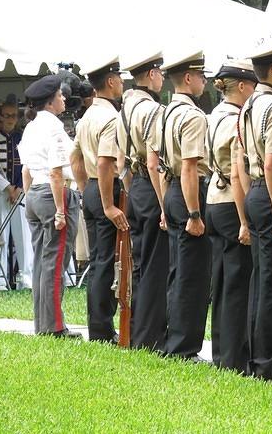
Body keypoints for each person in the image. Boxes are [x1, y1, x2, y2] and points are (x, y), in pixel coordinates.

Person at [238, 40, 272, 381]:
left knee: (261, 280)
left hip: (255, 191)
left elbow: (240, 162)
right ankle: (267, 362)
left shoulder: (249, 104)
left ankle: (256, 357)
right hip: (270, 192)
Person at [157, 50, 211, 361]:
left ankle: (175, 340)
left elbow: (161, 164)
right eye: (201, 75)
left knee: (178, 271)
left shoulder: (165, 113)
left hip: (173, 191)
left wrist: (167, 206)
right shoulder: (192, 116)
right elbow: (190, 167)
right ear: (188, 78)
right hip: (190, 192)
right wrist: (194, 213)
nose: (205, 81)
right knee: (191, 275)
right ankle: (183, 347)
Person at [19, 76, 80, 337]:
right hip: (53, 194)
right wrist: (59, 210)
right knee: (55, 264)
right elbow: (57, 172)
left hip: (34, 193)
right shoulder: (53, 127)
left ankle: (42, 325)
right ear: (50, 101)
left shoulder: (31, 127)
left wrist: (28, 195)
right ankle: (54, 327)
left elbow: (25, 169)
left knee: (43, 264)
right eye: (60, 95)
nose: (64, 98)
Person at [206, 60, 257, 372]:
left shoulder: (215, 116)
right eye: (251, 85)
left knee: (223, 283)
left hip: (214, 197)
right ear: (241, 86)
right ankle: (234, 358)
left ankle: (221, 352)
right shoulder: (237, 120)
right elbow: (238, 172)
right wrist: (244, 221)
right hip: (230, 201)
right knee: (237, 284)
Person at [70, 58, 125, 343]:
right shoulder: (110, 118)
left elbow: (75, 158)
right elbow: (105, 163)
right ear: (112, 81)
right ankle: (102, 330)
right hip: (105, 188)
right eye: (119, 78)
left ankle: (99, 326)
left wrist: (84, 189)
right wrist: (108, 204)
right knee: (106, 261)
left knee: (98, 260)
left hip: (91, 188)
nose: (122, 83)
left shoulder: (87, 116)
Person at [115, 52, 167, 350]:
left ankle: (136, 331)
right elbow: (153, 161)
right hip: (150, 187)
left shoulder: (125, 109)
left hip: (135, 189)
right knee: (154, 267)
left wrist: (131, 188)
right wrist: (162, 205)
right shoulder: (151, 110)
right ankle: (149, 337)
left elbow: (122, 161)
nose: (161, 77)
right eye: (159, 72)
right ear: (151, 74)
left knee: (139, 266)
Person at [0, 100, 33, 290]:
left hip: (21, 192)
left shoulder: (25, 139)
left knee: (25, 237)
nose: (10, 119)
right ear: (0, 117)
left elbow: (29, 165)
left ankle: (26, 278)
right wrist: (7, 187)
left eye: (14, 115)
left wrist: (19, 188)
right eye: (6, 115)